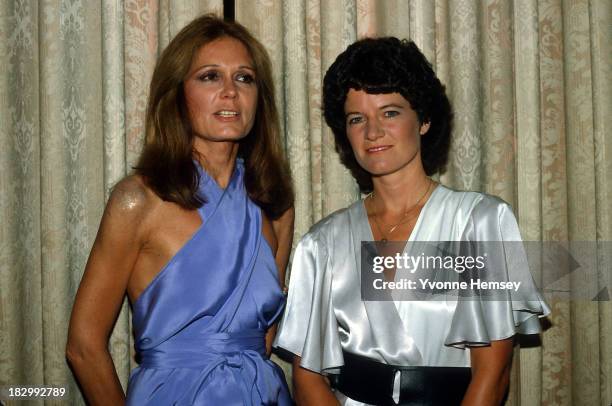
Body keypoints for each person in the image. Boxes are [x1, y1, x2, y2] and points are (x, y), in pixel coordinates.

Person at [274, 37, 550, 405]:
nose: (372, 132)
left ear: (424, 120)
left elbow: (492, 374)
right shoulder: (320, 244)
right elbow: (308, 381)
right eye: (357, 119)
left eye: (390, 112)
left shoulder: (480, 223)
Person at [66, 14, 294, 405]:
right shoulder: (137, 200)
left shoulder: (274, 203)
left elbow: (265, 335)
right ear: (177, 94)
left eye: (244, 78)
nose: (230, 92)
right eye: (209, 76)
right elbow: (84, 346)